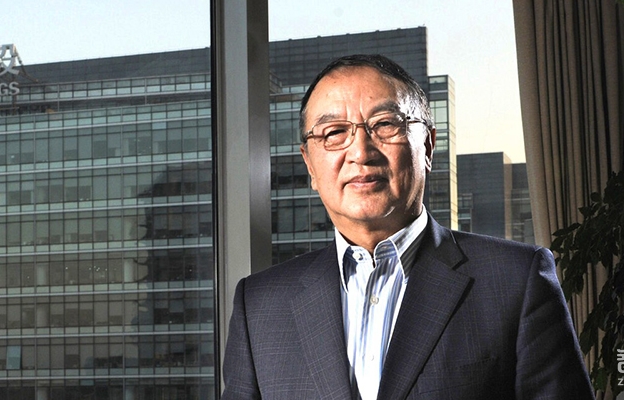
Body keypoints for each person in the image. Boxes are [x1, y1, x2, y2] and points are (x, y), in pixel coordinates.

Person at [221, 54, 594, 399]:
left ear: (428, 146)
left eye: (385, 125)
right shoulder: (259, 305)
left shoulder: (516, 281)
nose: (360, 152)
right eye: (334, 132)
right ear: (309, 165)